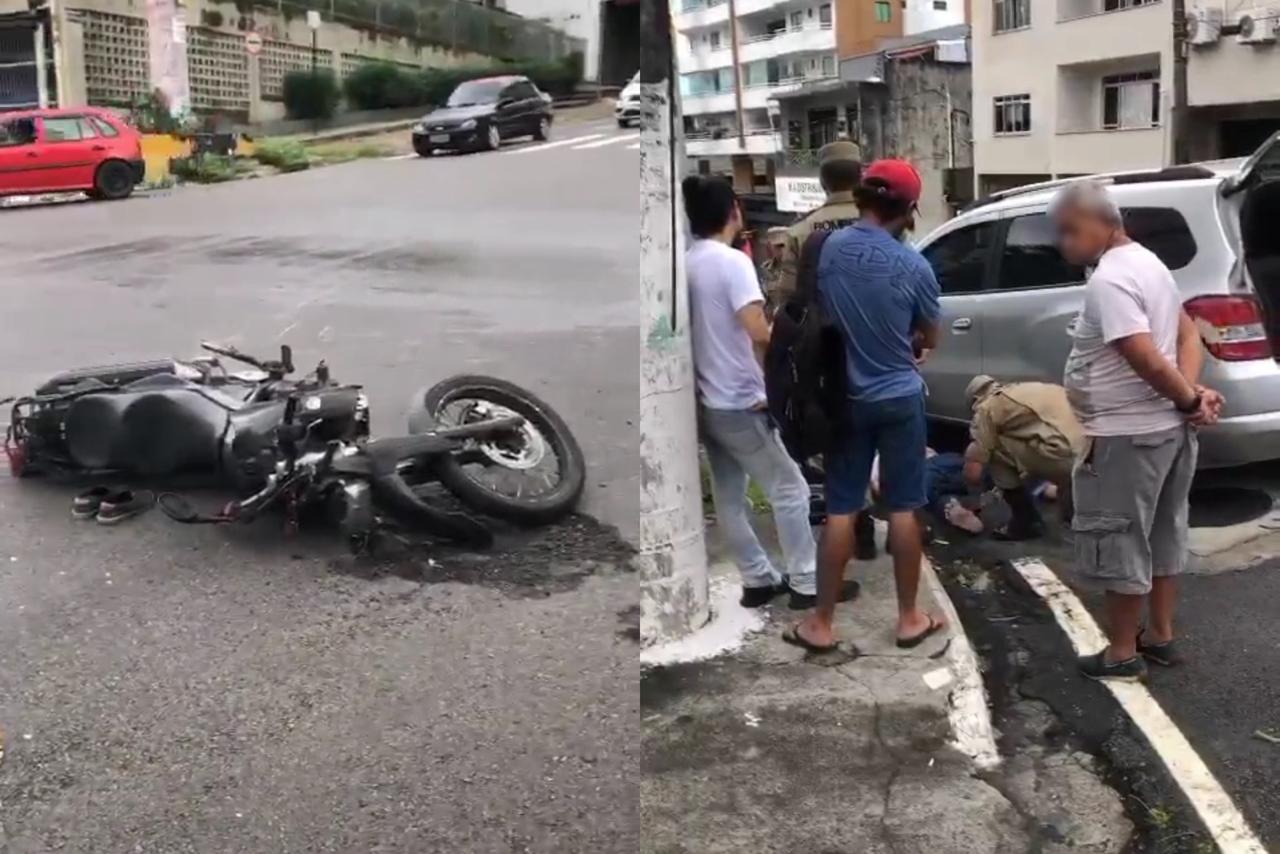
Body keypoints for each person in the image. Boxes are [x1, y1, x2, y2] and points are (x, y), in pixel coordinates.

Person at [1052, 179, 1224, 683]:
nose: (1063, 243)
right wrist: (1189, 397)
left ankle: (1122, 652)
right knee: (1164, 533)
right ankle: (1161, 636)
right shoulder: (1149, 263)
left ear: (1102, 222)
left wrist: (1188, 399)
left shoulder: (1111, 278)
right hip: (1166, 431)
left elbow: (1143, 355)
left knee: (1119, 538)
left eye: (1070, 230)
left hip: (1127, 436)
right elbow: (1187, 334)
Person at [785, 159, 946, 652]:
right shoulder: (915, 266)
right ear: (909, 209)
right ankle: (909, 619)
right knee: (903, 508)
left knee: (841, 508)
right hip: (899, 397)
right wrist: (909, 339)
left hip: (845, 397)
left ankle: (821, 624)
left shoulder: (827, 247)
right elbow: (930, 336)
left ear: (862, 197)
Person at [683, 175, 859, 611]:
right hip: (742, 399)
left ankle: (758, 579)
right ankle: (806, 581)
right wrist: (777, 382)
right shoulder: (732, 262)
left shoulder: (687, 262)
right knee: (790, 489)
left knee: (729, 497)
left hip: (709, 401)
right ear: (734, 211)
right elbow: (758, 331)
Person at [963, 375, 1085, 540]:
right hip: (1093, 449)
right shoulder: (1033, 388)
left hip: (1066, 458)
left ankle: (1026, 522)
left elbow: (974, 469)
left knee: (993, 450)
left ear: (975, 399)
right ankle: (1075, 520)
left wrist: (974, 498)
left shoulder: (987, 406)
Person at [772, 138, 863, 302]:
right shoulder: (884, 222)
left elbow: (787, 295)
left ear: (822, 181)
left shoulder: (800, 231)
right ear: (860, 177)